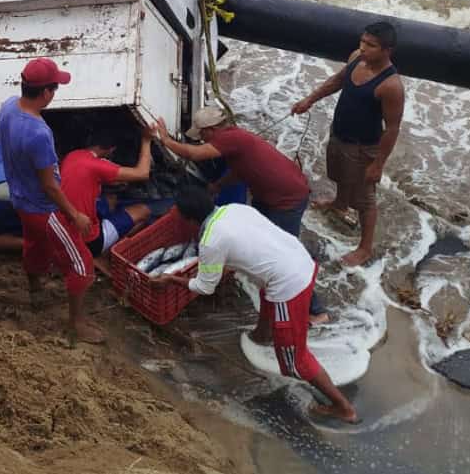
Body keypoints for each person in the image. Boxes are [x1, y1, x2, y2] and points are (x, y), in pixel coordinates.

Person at [153, 186, 358, 424]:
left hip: (289, 285)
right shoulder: (234, 209)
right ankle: (262, 336)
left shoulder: (210, 241)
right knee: (265, 290)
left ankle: (343, 407)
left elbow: (205, 287)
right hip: (299, 259)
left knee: (295, 360)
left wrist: (171, 279)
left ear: (189, 220)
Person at [156, 108, 329, 323]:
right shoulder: (235, 139)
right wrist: (218, 185)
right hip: (269, 195)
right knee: (264, 241)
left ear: (211, 130)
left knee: (286, 255)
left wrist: (165, 140)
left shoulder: (229, 138)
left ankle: (316, 310)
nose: (201, 139)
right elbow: (240, 171)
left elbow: (193, 154)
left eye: (201, 134)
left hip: (287, 199)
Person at [0, 57, 102, 344]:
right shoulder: (38, 133)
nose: (55, 93)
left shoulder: (8, 106)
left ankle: (35, 290)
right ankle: (77, 323)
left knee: (35, 246)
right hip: (44, 209)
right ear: (45, 93)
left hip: (20, 198)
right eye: (55, 88)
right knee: (82, 264)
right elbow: (50, 186)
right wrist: (75, 215)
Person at [292, 22, 404, 266]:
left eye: (371, 45)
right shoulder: (356, 58)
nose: (363, 48)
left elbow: (392, 128)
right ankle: (339, 204)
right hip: (339, 132)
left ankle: (365, 248)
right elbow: (337, 81)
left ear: (387, 50)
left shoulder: (391, 85)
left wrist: (378, 164)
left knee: (365, 200)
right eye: (362, 41)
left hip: (363, 146)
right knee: (338, 173)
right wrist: (309, 100)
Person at [60, 127, 154, 258]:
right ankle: (108, 253)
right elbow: (142, 173)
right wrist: (146, 140)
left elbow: (89, 176)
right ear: (111, 149)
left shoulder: (73, 155)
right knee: (144, 211)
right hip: (89, 241)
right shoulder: (98, 166)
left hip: (64, 227)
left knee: (111, 199)